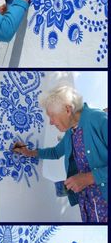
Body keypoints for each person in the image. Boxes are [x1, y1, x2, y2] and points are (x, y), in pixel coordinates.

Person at [13, 84, 108, 223]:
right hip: (87, 205)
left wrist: (89, 177)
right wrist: (28, 152)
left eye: (52, 116)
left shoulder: (100, 120)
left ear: (68, 109)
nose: (51, 122)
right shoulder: (71, 131)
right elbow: (56, 152)